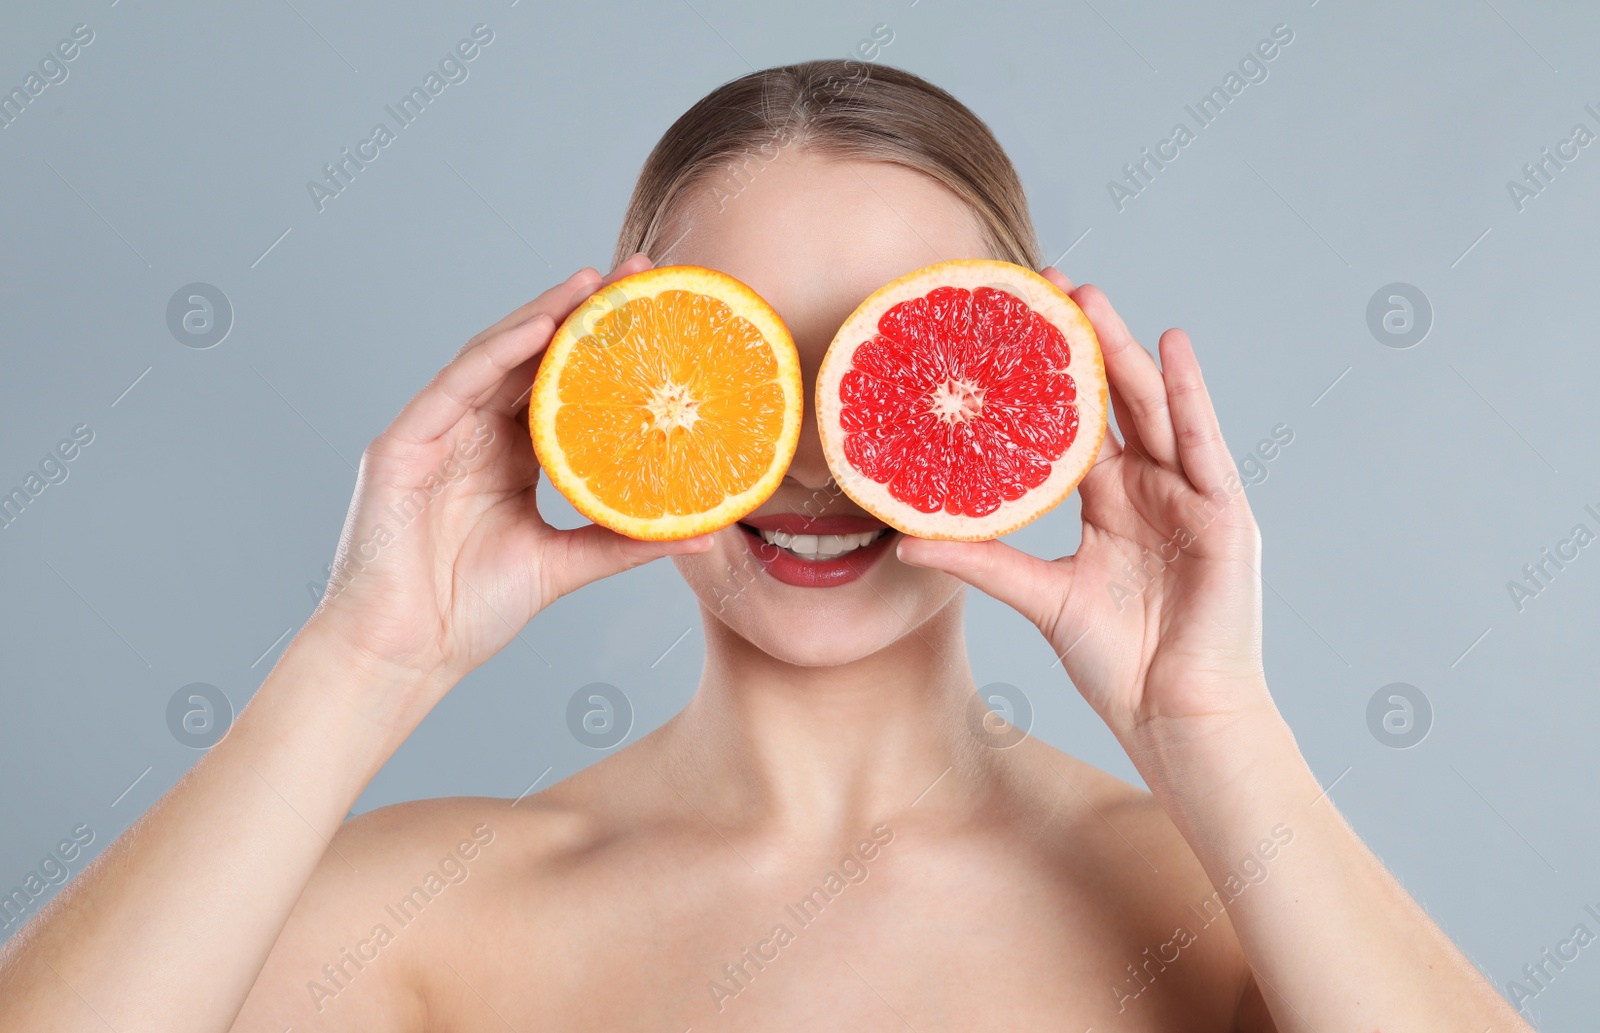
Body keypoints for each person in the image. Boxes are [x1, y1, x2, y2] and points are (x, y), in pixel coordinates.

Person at [0, 61, 1526, 1032]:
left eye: (888, 363)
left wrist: (1219, 731)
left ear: (1028, 384)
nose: (811, 458)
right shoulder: (430, 912)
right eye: (737, 365)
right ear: (598, 379)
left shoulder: (1218, 906)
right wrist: (360, 658)